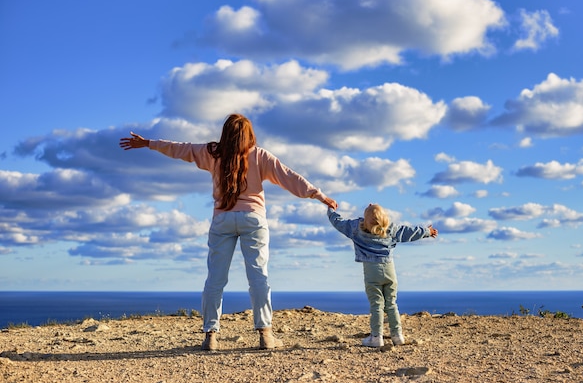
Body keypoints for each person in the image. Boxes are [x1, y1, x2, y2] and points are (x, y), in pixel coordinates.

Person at [120, 114, 337, 350]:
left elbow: (180, 149)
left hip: (222, 219)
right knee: (258, 276)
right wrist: (318, 195)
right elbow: (288, 176)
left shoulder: (213, 153)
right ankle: (265, 335)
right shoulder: (259, 155)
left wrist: (149, 143)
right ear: (249, 134)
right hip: (253, 219)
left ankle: (210, 337)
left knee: (215, 278)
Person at [327, 204, 437, 347]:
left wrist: (330, 210)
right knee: (391, 303)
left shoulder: (356, 228)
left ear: (366, 218)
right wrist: (427, 231)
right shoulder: (390, 228)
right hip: (389, 269)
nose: (370, 203)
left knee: (377, 305)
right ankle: (398, 336)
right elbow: (409, 232)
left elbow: (338, 222)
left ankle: (376, 337)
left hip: (372, 271)